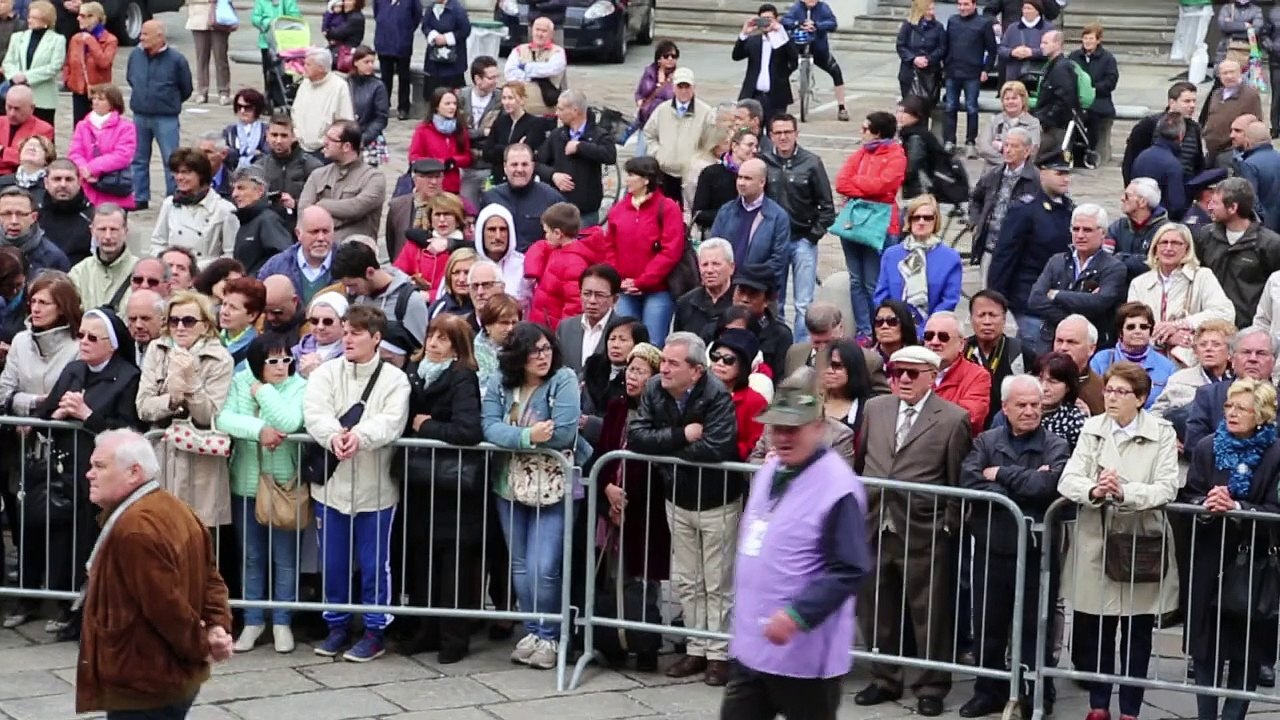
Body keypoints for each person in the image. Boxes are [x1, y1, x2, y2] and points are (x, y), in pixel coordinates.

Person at [719, 366, 870, 718]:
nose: (782, 438)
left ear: (818, 428)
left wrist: (798, 615)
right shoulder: (773, 468)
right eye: (777, 429)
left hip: (803, 655)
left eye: (793, 429)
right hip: (754, 644)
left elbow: (850, 568)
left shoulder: (838, 488)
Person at [73, 429, 233, 718]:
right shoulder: (174, 507)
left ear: (134, 472)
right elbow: (212, 577)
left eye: (100, 466)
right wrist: (216, 626)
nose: (89, 474)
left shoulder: (135, 529)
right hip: (165, 678)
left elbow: (166, 607)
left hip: (144, 681)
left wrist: (203, 645)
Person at [1057, 361, 1180, 720]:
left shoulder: (1162, 432)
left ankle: (1130, 709)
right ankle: (1098, 706)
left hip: (1142, 539)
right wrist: (1095, 489)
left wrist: (1125, 492)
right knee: (1098, 626)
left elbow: (1167, 486)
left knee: (1138, 630)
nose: (1111, 397)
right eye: (1109, 390)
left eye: (1121, 392)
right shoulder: (1093, 428)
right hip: (1097, 537)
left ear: (1140, 398)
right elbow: (1069, 479)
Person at [853, 345, 972, 717]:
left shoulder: (953, 419)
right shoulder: (876, 408)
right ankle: (884, 677)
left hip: (924, 527)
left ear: (932, 377)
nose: (902, 379)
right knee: (877, 607)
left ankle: (931, 685)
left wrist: (948, 525)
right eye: (896, 371)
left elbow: (957, 480)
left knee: (930, 612)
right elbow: (861, 461)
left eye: (911, 373)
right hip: (876, 522)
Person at [627, 331, 738, 686]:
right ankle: (695, 648)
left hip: (717, 499)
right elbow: (638, 437)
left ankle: (719, 654)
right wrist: (681, 435)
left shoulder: (716, 394)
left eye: (673, 363)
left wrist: (665, 450)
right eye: (663, 361)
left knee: (717, 580)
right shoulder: (656, 389)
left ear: (696, 371)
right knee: (687, 580)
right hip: (676, 496)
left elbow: (716, 448)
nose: (664, 369)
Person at [958, 374, 1070, 719]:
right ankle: (988, 690)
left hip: (1038, 551)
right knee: (989, 623)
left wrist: (1002, 475)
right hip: (994, 544)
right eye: (1021, 405)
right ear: (1005, 408)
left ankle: (1037, 691)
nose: (1029, 411)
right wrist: (1019, 488)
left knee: (1036, 625)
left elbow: (1050, 485)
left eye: (1035, 405)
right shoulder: (986, 441)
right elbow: (972, 479)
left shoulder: (1056, 444)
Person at [303, 304, 410, 662]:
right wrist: (334, 437)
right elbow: (314, 412)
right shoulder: (326, 373)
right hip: (331, 487)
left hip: (375, 489)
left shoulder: (396, 379)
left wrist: (359, 437)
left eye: (356, 332)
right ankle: (336, 626)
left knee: (374, 564)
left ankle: (375, 630)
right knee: (333, 563)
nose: (347, 338)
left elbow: (391, 421)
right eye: (345, 331)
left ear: (376, 338)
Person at [481, 322, 590, 670]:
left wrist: (514, 433)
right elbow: (489, 427)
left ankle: (552, 634)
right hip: (508, 484)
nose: (542, 356)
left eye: (546, 349)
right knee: (520, 564)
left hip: (555, 484)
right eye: (534, 351)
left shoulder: (564, 379)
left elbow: (564, 433)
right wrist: (528, 435)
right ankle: (532, 631)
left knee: (545, 567)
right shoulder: (500, 382)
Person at [1182, 378, 1280, 720]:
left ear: (1263, 414)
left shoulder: (1276, 452)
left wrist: (1239, 508)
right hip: (1211, 558)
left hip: (1255, 562)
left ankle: (1234, 716)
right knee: (1206, 648)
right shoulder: (1208, 447)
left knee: (1247, 649)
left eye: (1241, 408)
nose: (1232, 413)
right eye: (1228, 407)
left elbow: (1275, 508)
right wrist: (1207, 502)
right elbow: (1190, 494)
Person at [392, 313, 484, 662]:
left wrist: (427, 426)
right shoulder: (415, 373)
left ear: (457, 347)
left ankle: (453, 638)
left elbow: (468, 430)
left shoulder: (462, 377)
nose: (433, 343)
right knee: (421, 559)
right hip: (420, 482)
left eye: (443, 339)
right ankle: (425, 630)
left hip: (452, 487)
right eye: (431, 335)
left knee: (453, 566)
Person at [214, 332, 306, 655]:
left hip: (284, 484)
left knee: (285, 558)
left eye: (286, 360)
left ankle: (282, 621)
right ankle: (253, 620)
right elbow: (224, 418)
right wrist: (258, 430)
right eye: (273, 361)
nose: (281, 367)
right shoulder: (240, 381)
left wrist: (263, 391)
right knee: (251, 556)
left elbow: (291, 421)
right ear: (257, 362)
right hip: (246, 483)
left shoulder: (298, 386)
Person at [590, 342, 668, 671]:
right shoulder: (616, 407)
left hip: (646, 509)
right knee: (613, 575)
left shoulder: (662, 411)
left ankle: (645, 642)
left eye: (640, 371)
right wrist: (607, 487)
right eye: (629, 370)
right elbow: (603, 451)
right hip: (613, 505)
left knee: (644, 576)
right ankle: (614, 639)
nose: (631, 377)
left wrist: (629, 497)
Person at [135, 289, 236, 531]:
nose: (180, 327)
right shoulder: (156, 349)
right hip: (161, 456)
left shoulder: (220, 358)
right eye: (174, 320)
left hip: (201, 463)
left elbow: (210, 415)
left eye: (188, 321)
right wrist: (171, 401)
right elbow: (143, 406)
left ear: (205, 325)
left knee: (197, 538)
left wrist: (192, 385)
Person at [989, 152, 1074, 355]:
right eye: (1059, 173)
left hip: (1058, 300)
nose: (1065, 178)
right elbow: (1004, 256)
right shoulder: (1025, 210)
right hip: (1028, 298)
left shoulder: (1068, 209)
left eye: (1067, 174)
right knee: (1034, 357)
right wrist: (995, 299)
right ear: (1042, 173)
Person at [760, 114, 834, 339]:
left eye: (787, 132)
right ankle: (779, 345)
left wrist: (813, 236)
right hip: (774, 243)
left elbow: (827, 207)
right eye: (778, 133)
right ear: (770, 136)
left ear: (796, 134)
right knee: (775, 301)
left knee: (804, 303)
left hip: (803, 240)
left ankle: (802, 347)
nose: (783, 137)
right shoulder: (763, 163)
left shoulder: (812, 163)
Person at [835, 111, 905, 341]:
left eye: (866, 129)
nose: (861, 132)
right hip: (854, 223)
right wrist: (869, 190)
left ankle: (879, 327)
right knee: (856, 279)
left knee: (872, 281)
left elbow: (886, 185)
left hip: (880, 223)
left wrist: (859, 187)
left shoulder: (896, 155)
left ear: (878, 133)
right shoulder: (861, 153)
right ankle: (865, 330)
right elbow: (842, 182)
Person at [602, 156, 685, 345]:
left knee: (652, 344)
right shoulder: (618, 209)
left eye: (632, 175)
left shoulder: (668, 207)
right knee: (624, 342)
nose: (627, 180)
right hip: (624, 290)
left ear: (646, 179)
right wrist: (618, 280)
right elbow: (609, 246)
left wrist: (642, 281)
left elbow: (671, 250)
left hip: (658, 291)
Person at [1128, 223, 1234, 369]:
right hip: (1148, 362)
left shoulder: (1202, 276)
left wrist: (1178, 325)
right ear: (1155, 248)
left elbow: (1225, 313)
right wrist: (1166, 338)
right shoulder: (1139, 283)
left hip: (1188, 362)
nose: (1169, 248)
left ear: (1187, 249)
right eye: (1164, 242)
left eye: (1176, 243)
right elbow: (1131, 327)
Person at [1027, 202, 1127, 349]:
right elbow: (1035, 300)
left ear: (1103, 233)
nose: (1080, 235)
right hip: (1052, 340)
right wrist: (1073, 321)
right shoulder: (1057, 261)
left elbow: (1099, 303)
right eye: (1075, 229)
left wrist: (1057, 295)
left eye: (1087, 230)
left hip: (1093, 345)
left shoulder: (1113, 267)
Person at [1193, 177, 1280, 328]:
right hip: (1211, 328)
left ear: (1233, 207)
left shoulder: (1270, 244)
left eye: (1215, 203)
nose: (1210, 206)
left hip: (1249, 331)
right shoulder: (1205, 236)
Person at [126, 20, 192, 209]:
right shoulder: (135, 55)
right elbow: (131, 78)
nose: (142, 37)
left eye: (146, 34)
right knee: (138, 158)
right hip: (139, 114)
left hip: (166, 117)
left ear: (160, 37)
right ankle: (140, 197)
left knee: (170, 159)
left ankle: (173, 196)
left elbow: (186, 88)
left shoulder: (177, 59)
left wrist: (169, 102)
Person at [873, 194, 963, 330]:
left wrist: (925, 329)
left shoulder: (950, 258)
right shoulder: (891, 255)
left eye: (927, 218)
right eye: (916, 217)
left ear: (935, 221)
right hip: (894, 329)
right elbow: (881, 296)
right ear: (909, 220)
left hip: (932, 331)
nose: (921, 222)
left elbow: (948, 301)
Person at [1185, 327, 1276, 451]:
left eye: (1261, 353)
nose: (1253, 359)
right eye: (1246, 352)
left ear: (1274, 361)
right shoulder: (1208, 395)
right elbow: (1194, 445)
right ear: (1232, 358)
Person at [149, 148, 240, 269]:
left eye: (186, 172)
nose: (179, 177)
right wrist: (168, 264)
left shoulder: (224, 210)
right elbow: (158, 243)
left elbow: (230, 254)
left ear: (201, 175)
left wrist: (200, 268)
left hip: (206, 276)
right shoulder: (169, 204)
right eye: (176, 172)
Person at [299, 120, 387, 243]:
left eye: (331, 139)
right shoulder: (318, 175)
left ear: (346, 147)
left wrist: (321, 205)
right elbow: (304, 211)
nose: (325, 142)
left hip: (353, 252)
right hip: (317, 247)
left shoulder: (373, 178)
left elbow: (356, 208)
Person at [537, 89, 616, 226]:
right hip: (558, 209)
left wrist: (581, 147)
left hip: (586, 212)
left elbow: (609, 155)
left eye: (561, 109)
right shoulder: (557, 135)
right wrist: (553, 175)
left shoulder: (599, 135)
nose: (557, 113)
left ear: (575, 111)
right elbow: (537, 163)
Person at [969, 127, 1037, 283]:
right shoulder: (993, 174)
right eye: (1006, 145)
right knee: (987, 293)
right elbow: (975, 198)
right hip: (990, 245)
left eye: (1014, 146)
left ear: (1026, 152)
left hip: (1019, 250)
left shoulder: (1035, 179)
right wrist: (976, 223)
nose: (1008, 150)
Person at [333, 238, 429, 345]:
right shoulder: (355, 298)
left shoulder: (410, 301)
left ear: (370, 272)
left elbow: (419, 348)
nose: (350, 291)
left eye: (353, 285)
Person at [523, 202, 600, 330]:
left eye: (547, 232)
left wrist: (564, 333)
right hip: (544, 325)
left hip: (555, 330)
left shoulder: (574, 263)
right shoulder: (558, 251)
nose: (545, 236)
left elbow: (575, 303)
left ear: (558, 233)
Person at [1151, 319, 1235, 437]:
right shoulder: (1180, 379)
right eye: (1203, 344)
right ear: (1195, 351)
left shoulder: (1239, 381)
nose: (1208, 349)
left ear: (1229, 351)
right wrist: (1169, 438)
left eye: (1216, 344)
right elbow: (1155, 415)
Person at [644, 67, 714, 204]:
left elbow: (711, 142)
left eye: (687, 87)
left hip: (690, 176)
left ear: (694, 88)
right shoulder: (662, 110)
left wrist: (697, 161)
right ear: (673, 88)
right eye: (680, 86)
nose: (684, 91)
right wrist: (658, 153)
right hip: (665, 173)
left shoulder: (706, 112)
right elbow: (649, 134)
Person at [1089, 302, 1177, 410]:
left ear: (1150, 331)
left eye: (1143, 327)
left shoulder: (1167, 367)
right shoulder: (1101, 360)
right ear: (1120, 332)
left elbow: (1168, 405)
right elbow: (1093, 398)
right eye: (1131, 327)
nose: (1138, 331)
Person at [480, 143, 564, 252]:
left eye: (524, 164)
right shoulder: (491, 198)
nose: (519, 169)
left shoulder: (553, 199)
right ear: (505, 167)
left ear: (533, 166)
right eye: (514, 164)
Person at [1122, 81, 1206, 186]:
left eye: (1194, 101)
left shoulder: (1194, 128)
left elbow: (1198, 163)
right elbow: (1130, 160)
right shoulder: (1149, 124)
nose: (1192, 105)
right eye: (1187, 101)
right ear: (1172, 102)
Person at [65, 84, 135, 209]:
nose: (95, 102)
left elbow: (122, 155)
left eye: (101, 99)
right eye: (94, 98)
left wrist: (93, 168)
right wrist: (83, 169)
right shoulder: (82, 125)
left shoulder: (126, 127)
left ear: (113, 103)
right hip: (87, 187)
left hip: (112, 187)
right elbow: (75, 152)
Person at [923, 311, 992, 433]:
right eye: (929, 336)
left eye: (943, 337)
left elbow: (966, 418)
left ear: (961, 344)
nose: (934, 342)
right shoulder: (909, 372)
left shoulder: (978, 376)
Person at [942, 0, 996, 155]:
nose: (962, 8)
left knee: (972, 108)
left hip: (972, 73)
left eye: (966, 4)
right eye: (959, 4)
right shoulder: (953, 21)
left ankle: (970, 141)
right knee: (950, 107)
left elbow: (992, 49)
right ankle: (949, 140)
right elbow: (947, 45)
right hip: (953, 71)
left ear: (974, 5)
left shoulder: (983, 24)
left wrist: (986, 69)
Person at [708, 327, 769, 459]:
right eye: (715, 357)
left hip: (733, 472)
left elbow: (755, 445)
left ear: (742, 366)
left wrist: (722, 447)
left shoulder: (755, 401)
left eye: (728, 360)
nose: (719, 363)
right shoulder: (698, 393)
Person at [732, 3, 795, 125]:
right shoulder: (754, 41)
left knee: (775, 131)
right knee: (750, 131)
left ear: (776, 20)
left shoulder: (782, 41)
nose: (766, 23)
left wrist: (780, 32)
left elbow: (793, 59)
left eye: (769, 20)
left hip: (776, 97)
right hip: (754, 95)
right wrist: (744, 33)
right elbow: (736, 55)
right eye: (763, 20)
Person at [3, 1, 64, 126]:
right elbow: (8, 61)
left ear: (46, 20)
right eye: (29, 17)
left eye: (35, 18)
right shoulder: (18, 37)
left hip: (43, 97)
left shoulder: (57, 40)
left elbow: (54, 67)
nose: (30, 20)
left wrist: (26, 77)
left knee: (42, 134)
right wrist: (14, 76)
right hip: (18, 96)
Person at [555, 263, 618, 376]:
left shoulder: (623, 330)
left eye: (600, 295)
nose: (592, 300)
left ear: (614, 299)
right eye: (587, 294)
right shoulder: (565, 328)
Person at [67, 204, 134, 310]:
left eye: (114, 229)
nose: (108, 236)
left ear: (125, 231)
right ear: (92, 231)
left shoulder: (140, 272)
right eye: (102, 229)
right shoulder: (79, 273)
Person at [482, 83, 549, 187]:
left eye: (511, 98)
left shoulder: (535, 124)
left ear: (522, 100)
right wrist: (512, 146)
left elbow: (526, 153)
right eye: (504, 98)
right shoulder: (500, 122)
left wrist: (498, 148)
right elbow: (486, 153)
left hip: (522, 179)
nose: (506, 102)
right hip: (499, 178)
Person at [292, 48, 355, 158]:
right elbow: (295, 111)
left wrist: (329, 142)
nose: (304, 67)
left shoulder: (339, 86)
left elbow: (345, 121)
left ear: (321, 68)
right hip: (299, 146)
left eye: (308, 64)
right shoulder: (305, 84)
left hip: (324, 150)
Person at [231, 166, 294, 276]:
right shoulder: (247, 220)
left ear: (260, 191)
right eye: (234, 189)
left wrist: (255, 279)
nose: (234, 194)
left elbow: (283, 257)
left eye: (241, 188)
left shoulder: (268, 220)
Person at [1069, 24, 1118, 163]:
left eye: (1091, 39)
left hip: (1099, 100)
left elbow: (1110, 81)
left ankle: (1090, 151)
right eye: (1085, 38)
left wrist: (1091, 89)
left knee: (1094, 115)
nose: (1087, 42)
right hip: (1077, 100)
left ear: (1098, 40)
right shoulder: (1074, 57)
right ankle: (1070, 152)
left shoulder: (1108, 59)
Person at [409, 87, 472, 195]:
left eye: (454, 104)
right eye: (447, 104)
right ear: (437, 106)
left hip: (452, 186)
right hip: (430, 187)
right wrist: (439, 163)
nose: (452, 107)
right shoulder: (423, 130)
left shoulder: (460, 129)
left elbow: (467, 156)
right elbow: (414, 157)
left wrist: (453, 161)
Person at [62, 1, 115, 126]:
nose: (78, 18)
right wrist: (68, 80)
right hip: (78, 90)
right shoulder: (76, 38)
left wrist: (91, 42)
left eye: (83, 15)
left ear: (95, 18)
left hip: (98, 92)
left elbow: (104, 62)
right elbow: (68, 62)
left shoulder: (110, 40)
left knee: (97, 126)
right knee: (79, 126)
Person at [1109, 178, 1172, 281]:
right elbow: (1104, 259)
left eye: (1127, 196)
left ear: (1142, 202)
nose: (1122, 199)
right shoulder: (1118, 226)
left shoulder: (1165, 231)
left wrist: (1120, 258)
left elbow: (1154, 264)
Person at [502, 15, 566, 117]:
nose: (539, 34)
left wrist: (525, 67)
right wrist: (534, 74)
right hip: (520, 114)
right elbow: (509, 73)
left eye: (544, 31)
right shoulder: (518, 50)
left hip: (546, 114)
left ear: (551, 34)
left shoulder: (558, 52)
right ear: (532, 31)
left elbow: (551, 69)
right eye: (537, 30)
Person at [1202, 60, 1264, 161]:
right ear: (1220, 76)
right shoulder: (1216, 94)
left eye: (1232, 72)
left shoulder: (1250, 95)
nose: (1229, 76)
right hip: (1211, 149)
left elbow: (1257, 123)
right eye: (1225, 73)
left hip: (1231, 151)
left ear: (1239, 73)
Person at [371, 0, 422, 122]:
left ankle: (403, 108)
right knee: (385, 77)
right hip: (384, 43)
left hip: (402, 43)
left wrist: (407, 29)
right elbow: (377, 14)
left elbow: (417, 16)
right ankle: (384, 105)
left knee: (404, 77)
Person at [675, 238, 736, 335]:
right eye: (704, 265)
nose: (709, 270)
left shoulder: (741, 303)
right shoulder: (685, 303)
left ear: (732, 267)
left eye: (716, 264)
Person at [36, 159, 92, 266]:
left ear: (79, 182)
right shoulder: (33, 214)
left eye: (69, 179)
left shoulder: (92, 217)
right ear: (46, 183)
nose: (63, 184)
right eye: (57, 179)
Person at [0, 186, 67, 274]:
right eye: (7, 214)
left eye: (21, 214)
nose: (14, 221)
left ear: (34, 217)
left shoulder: (52, 257)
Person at [976, 81, 1042, 170]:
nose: (1010, 102)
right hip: (993, 171)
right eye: (1007, 99)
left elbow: (1032, 151)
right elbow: (983, 147)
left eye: (1014, 98)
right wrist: (1007, 161)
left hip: (1021, 173)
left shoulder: (1033, 123)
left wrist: (1001, 147)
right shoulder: (994, 120)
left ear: (1023, 100)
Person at [1030, 30, 1076, 158]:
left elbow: (1063, 99)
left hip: (1056, 127)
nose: (1041, 46)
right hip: (1050, 122)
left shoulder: (1061, 68)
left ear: (1057, 44)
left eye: (1045, 42)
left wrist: (1045, 120)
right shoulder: (1053, 66)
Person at [473, 203, 528, 308]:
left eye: (503, 229)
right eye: (492, 230)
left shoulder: (524, 265)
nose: (498, 236)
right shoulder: (468, 264)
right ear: (481, 232)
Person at [345, 46, 390, 169]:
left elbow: (381, 117)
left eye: (372, 62)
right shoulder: (346, 83)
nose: (370, 65)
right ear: (356, 62)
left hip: (368, 139)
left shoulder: (378, 86)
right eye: (366, 62)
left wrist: (364, 138)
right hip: (347, 137)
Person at [632, 40, 679, 154]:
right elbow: (640, 92)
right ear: (659, 58)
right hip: (647, 119)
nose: (670, 59)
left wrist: (664, 83)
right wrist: (639, 101)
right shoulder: (649, 72)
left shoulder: (678, 76)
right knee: (640, 154)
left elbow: (672, 97)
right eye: (666, 56)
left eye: (673, 56)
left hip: (667, 122)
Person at [1053, 313, 1105, 415]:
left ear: (1091, 348)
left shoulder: (1102, 391)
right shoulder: (1035, 382)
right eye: (1059, 341)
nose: (1063, 348)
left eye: (1071, 342)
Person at [1033, 350, 1088, 448]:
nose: (1044, 388)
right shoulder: (1016, 410)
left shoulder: (1075, 422)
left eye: (1052, 382)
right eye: (1039, 379)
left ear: (1068, 387)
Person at [895, 0, 944, 106]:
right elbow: (901, 45)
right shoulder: (908, 26)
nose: (931, 12)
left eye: (932, 9)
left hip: (930, 73)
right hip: (910, 72)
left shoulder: (938, 27)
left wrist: (929, 59)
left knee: (927, 105)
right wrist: (914, 59)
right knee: (909, 106)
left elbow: (942, 48)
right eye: (928, 9)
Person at [251, 0, 299, 107]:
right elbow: (255, 18)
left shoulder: (288, 1)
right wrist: (268, 23)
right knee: (269, 73)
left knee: (285, 73)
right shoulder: (261, 2)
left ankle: (285, 99)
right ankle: (270, 100)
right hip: (267, 43)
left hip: (285, 43)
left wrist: (280, 23)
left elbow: (295, 17)